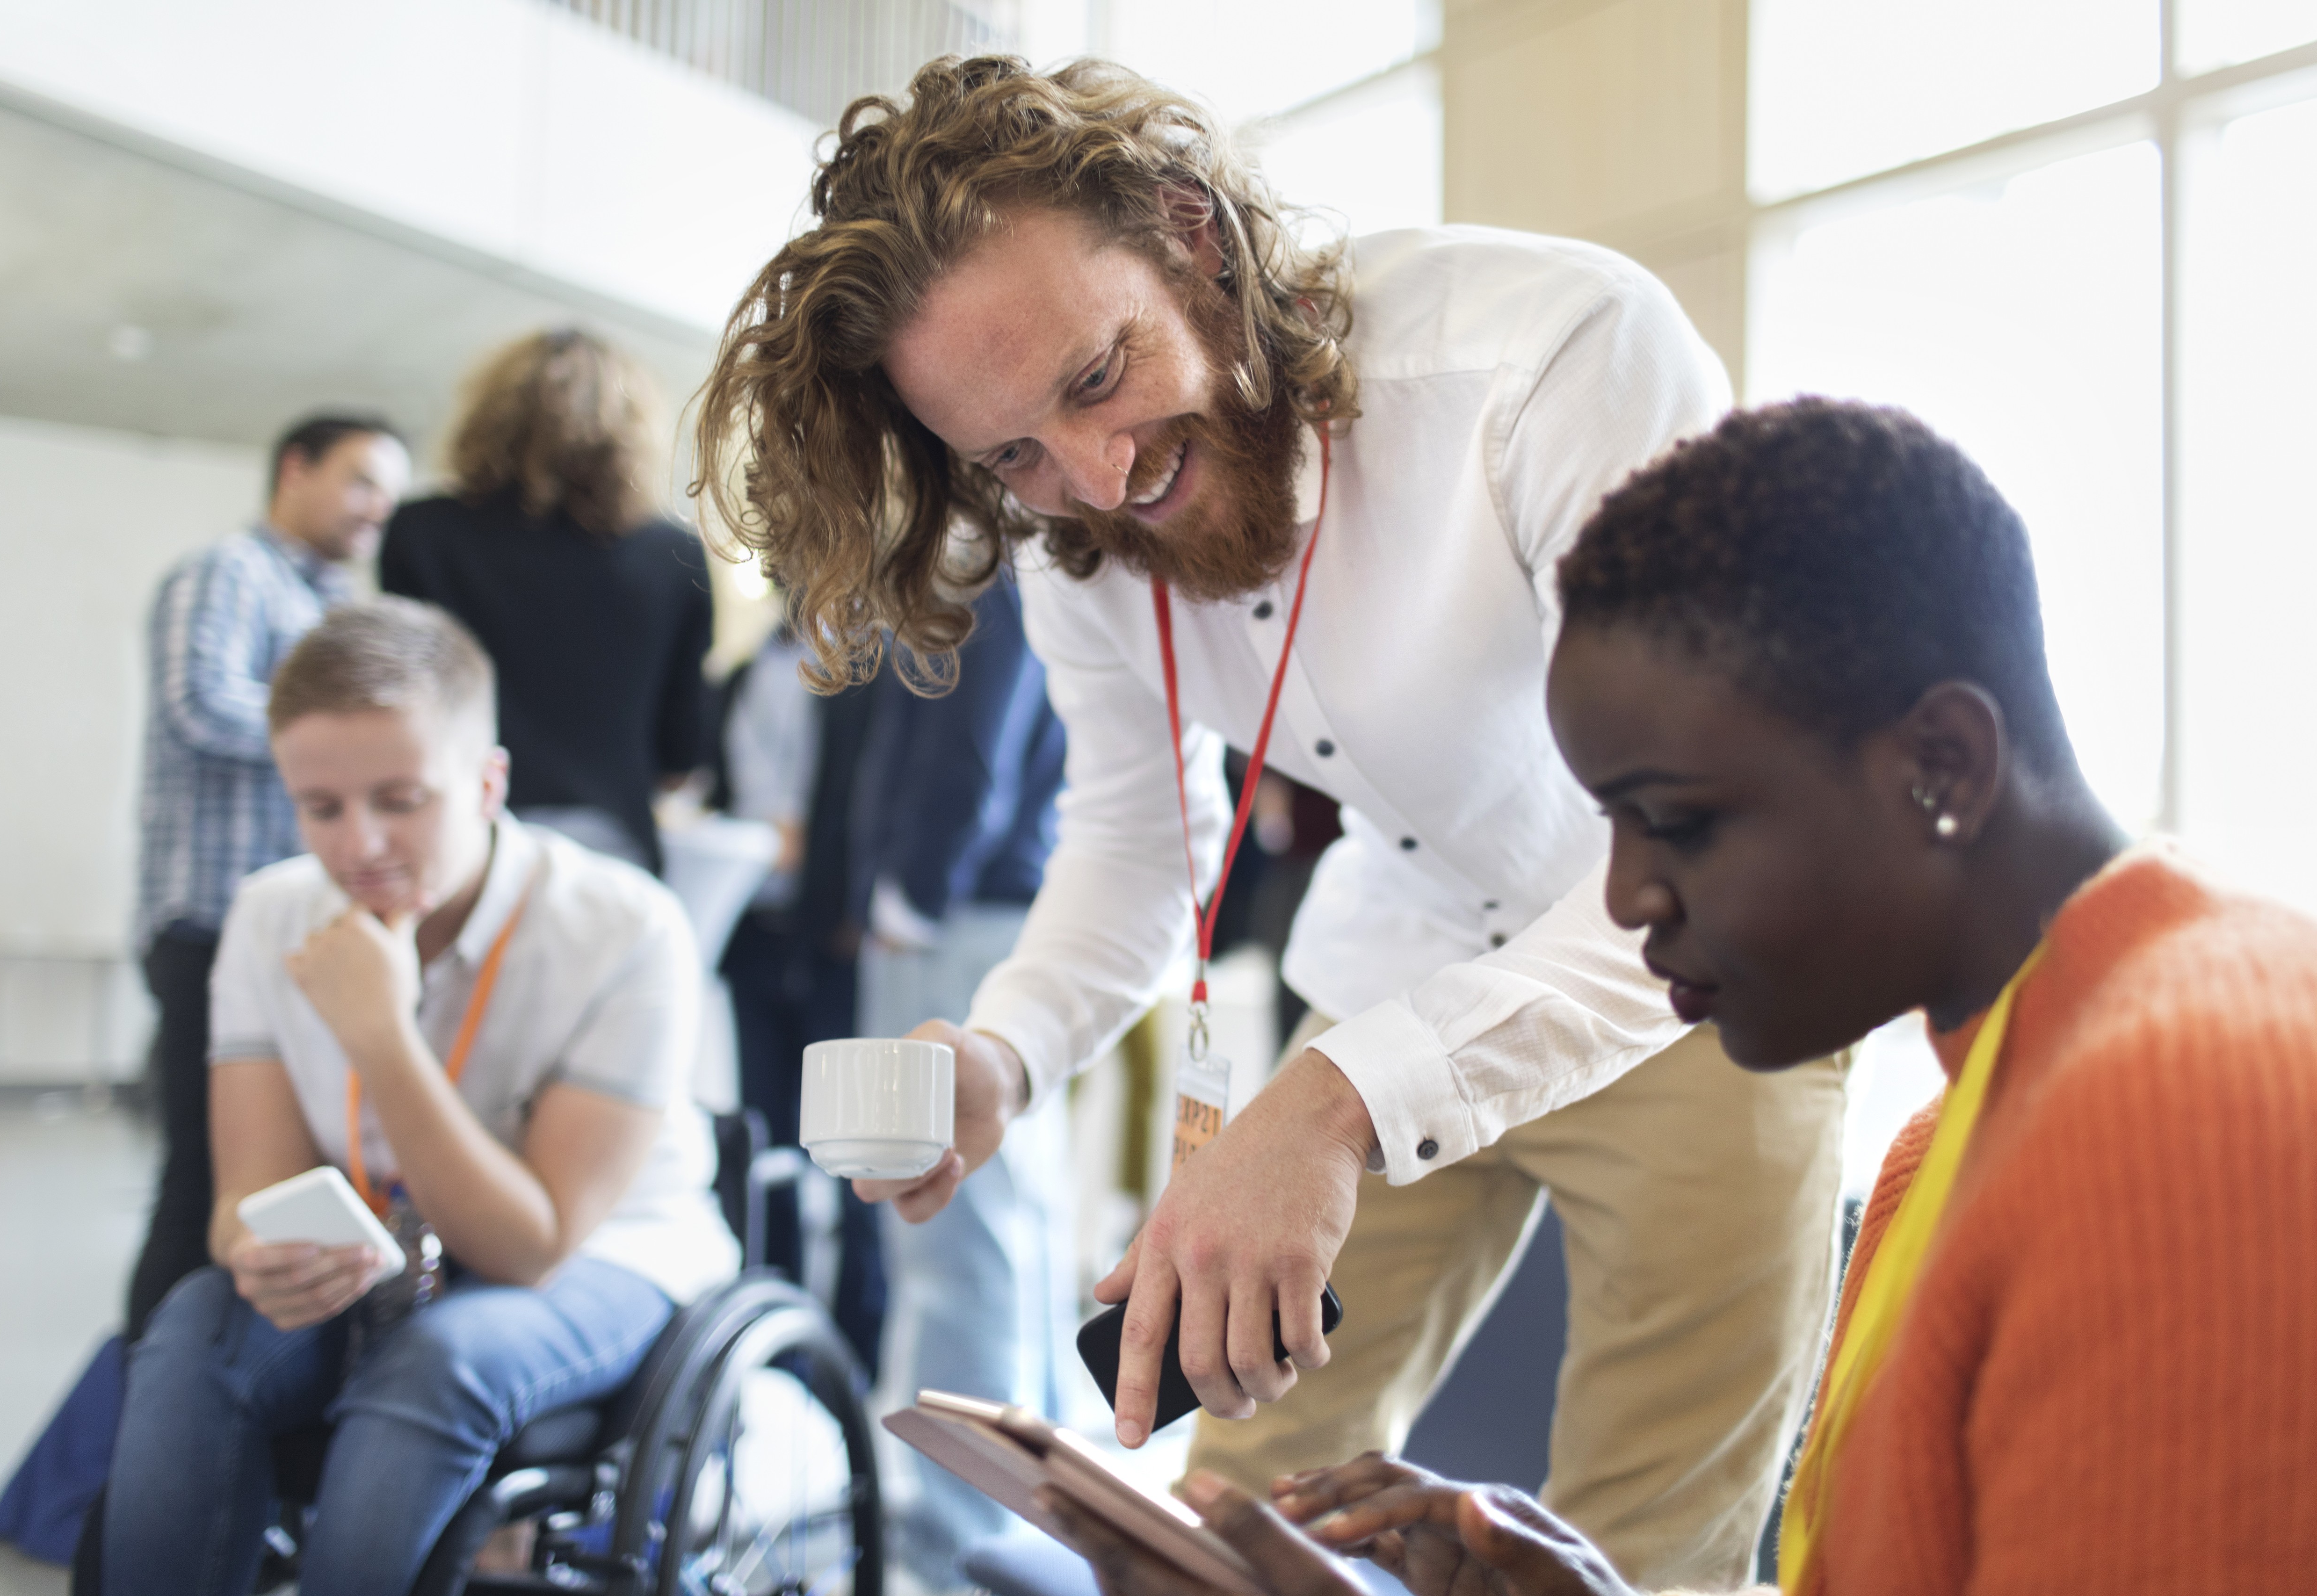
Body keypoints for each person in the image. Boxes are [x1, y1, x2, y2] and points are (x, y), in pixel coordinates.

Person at [693, 56, 1844, 1586]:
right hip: (1404, 957)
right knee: (1215, 1525)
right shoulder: (1075, 535)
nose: (1100, 477)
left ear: (1195, 239)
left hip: (1708, 976)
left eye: (1099, 376)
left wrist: (1329, 1104)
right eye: (1015, 453)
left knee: (1637, 1546)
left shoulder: (1548, 358)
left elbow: (1720, 835)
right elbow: (1133, 843)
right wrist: (1003, 1048)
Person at [1040, 398, 2317, 1596]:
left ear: (1943, 765)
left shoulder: (2185, 1103)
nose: (1631, 895)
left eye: (1678, 823)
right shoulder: (1964, 1124)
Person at [101, 599, 737, 1595]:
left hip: (605, 1252)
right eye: (321, 807)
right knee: (196, 1326)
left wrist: (382, 1036)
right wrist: (254, 1250)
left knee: (442, 1359)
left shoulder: (626, 927)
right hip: (386, 1248)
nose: (360, 845)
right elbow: (246, 1189)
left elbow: (529, 1244)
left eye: (401, 799)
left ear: (487, 783)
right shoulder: (271, 914)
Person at [126, 412, 410, 1340]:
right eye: (364, 480)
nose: (381, 509)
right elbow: (199, 703)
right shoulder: (227, 573)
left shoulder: (331, 603)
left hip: (296, 935)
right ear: (296, 469)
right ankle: (143, 1404)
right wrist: (352, 746)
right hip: (209, 920)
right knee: (200, 1186)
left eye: (392, 492)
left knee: (285, 1186)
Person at [849, 572, 1073, 1592]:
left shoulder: (979, 571)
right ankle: (1020, 1530)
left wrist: (905, 893)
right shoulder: (1021, 568)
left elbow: (968, 746)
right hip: (1005, 912)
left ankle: (949, 1550)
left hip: (955, 916)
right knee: (1009, 1228)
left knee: (949, 1235)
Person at [380, 327, 713, 873]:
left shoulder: (422, 531)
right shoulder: (673, 555)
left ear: (493, 414)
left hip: (465, 827)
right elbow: (684, 740)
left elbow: (403, 696)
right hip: (610, 833)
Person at [714, 623, 890, 1370]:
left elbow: (871, 793)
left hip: (836, 935)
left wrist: (854, 904)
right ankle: (768, 1327)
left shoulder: (878, 663)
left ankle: (851, 1351)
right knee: (761, 1134)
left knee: (861, 1152)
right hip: (753, 926)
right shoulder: (750, 667)